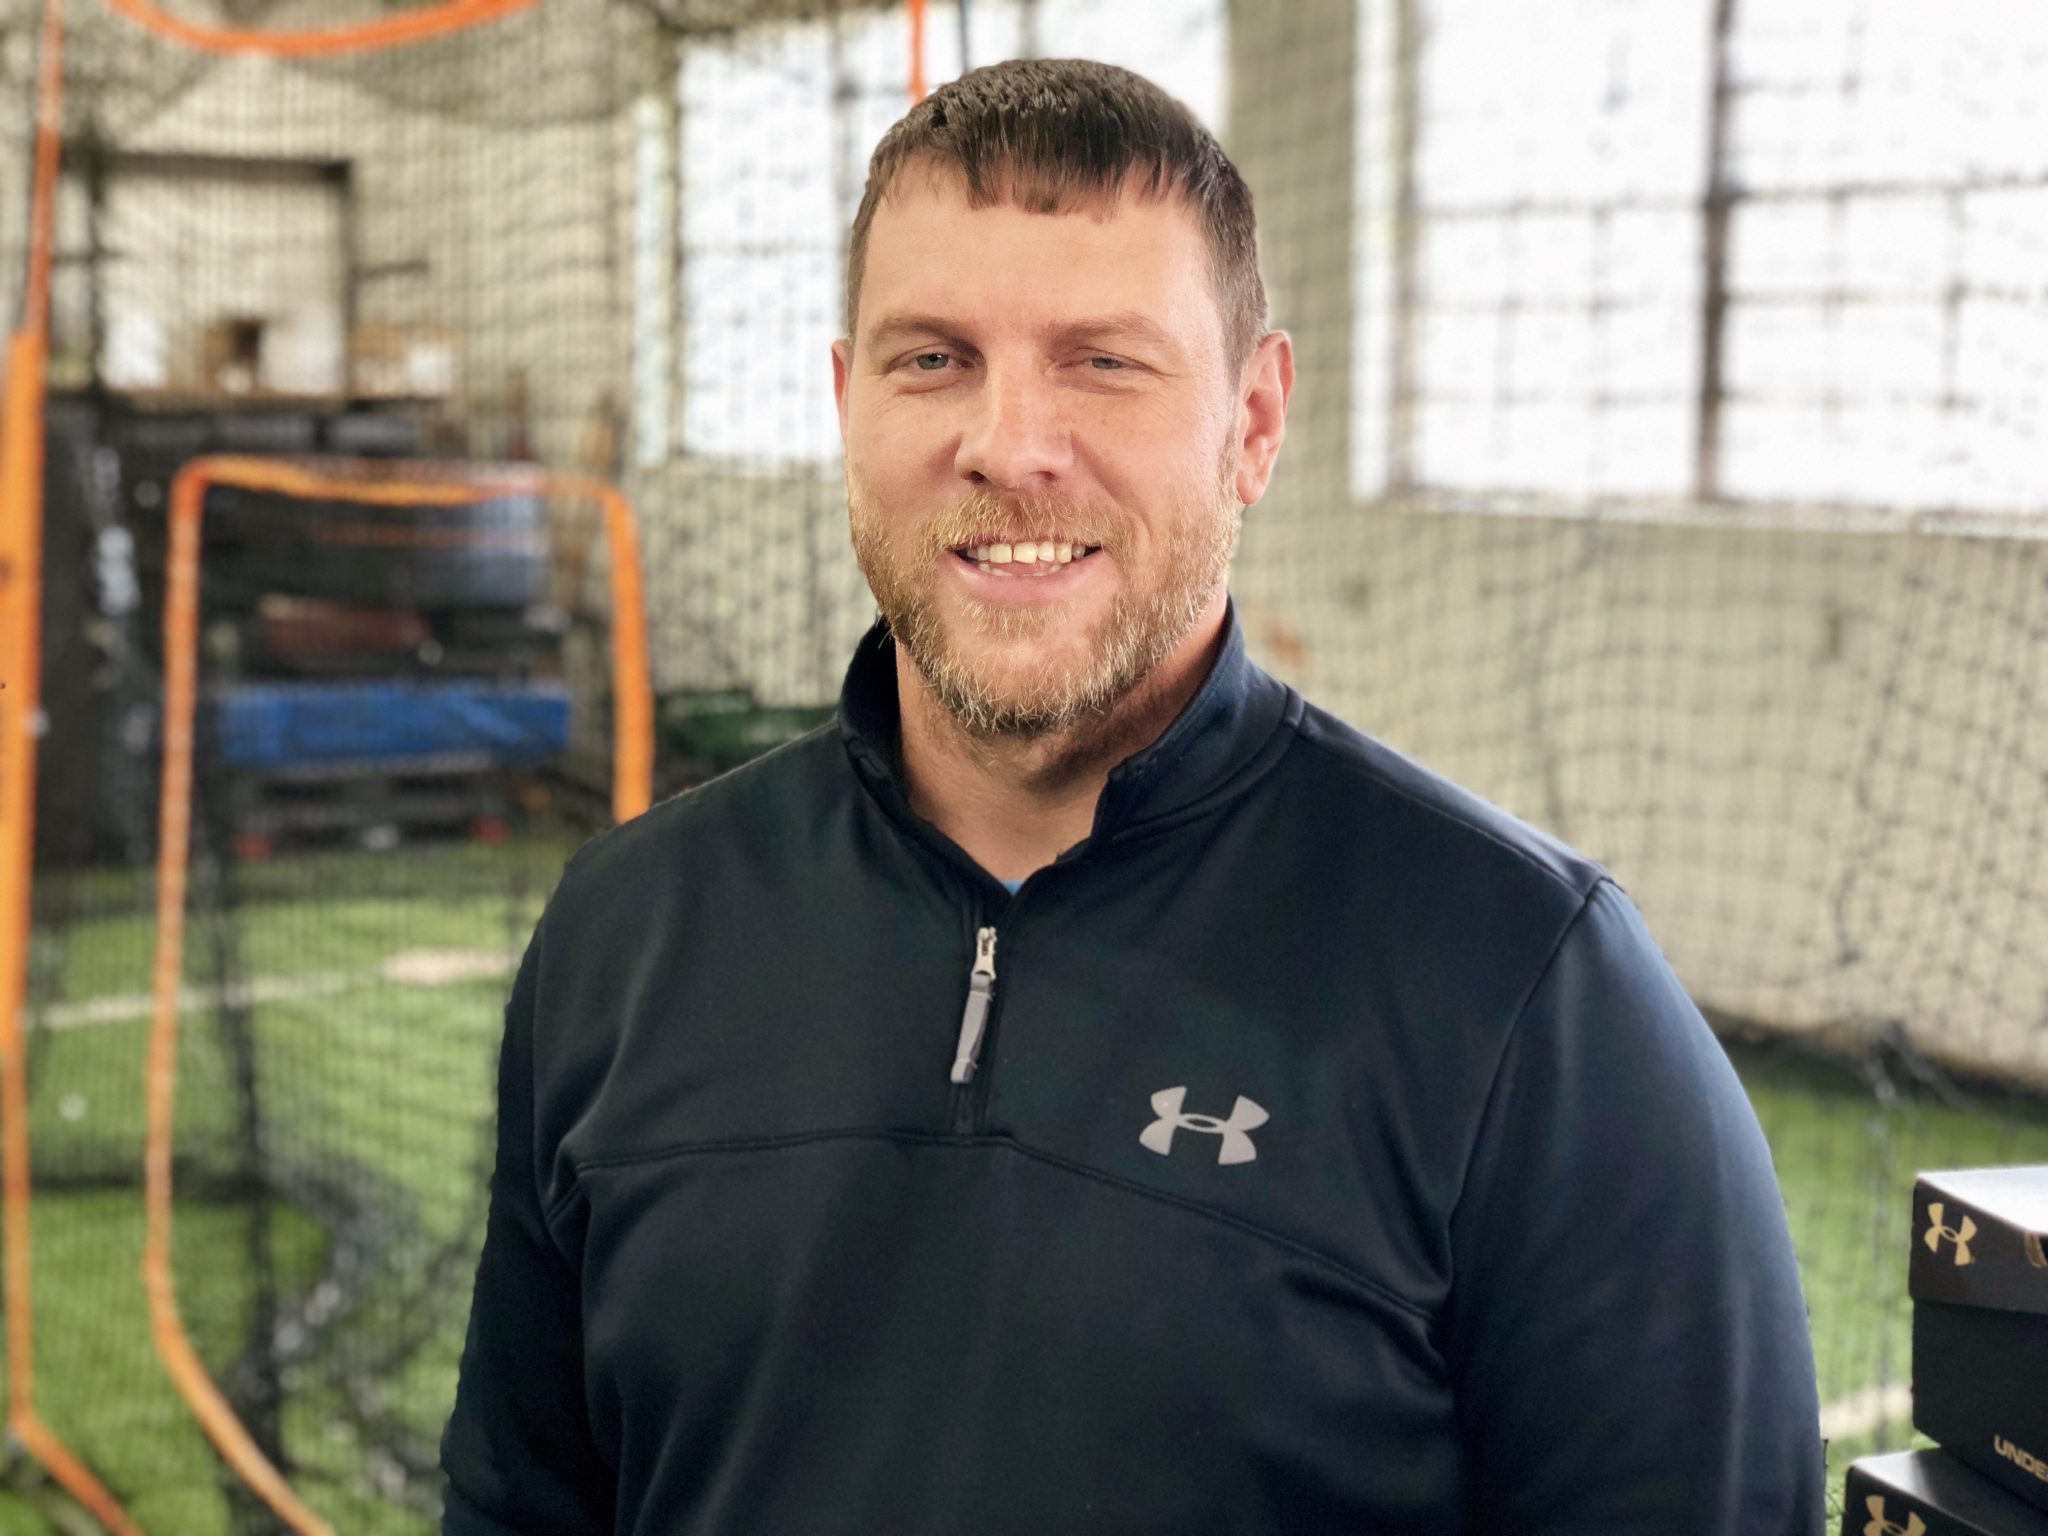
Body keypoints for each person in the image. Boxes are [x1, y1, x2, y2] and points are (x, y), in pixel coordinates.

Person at [440, 57, 1823, 1536]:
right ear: (849, 404)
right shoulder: (629, 929)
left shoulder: (1528, 992)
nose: (1011, 444)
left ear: (1254, 422)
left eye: (1104, 360)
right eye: (934, 359)